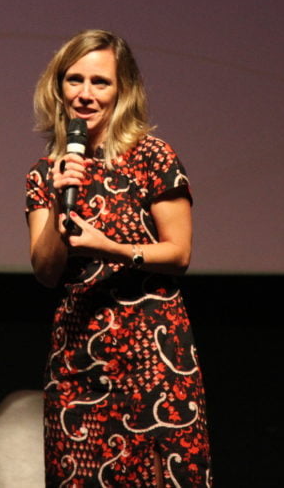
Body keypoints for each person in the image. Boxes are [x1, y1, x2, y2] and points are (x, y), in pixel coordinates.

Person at [25, 29, 212, 486]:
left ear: (122, 90)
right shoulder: (45, 172)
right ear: (58, 87)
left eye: (100, 82)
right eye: (75, 80)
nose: (85, 94)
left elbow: (179, 253)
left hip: (149, 351)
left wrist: (108, 248)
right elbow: (46, 271)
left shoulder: (152, 156)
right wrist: (59, 196)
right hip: (78, 358)